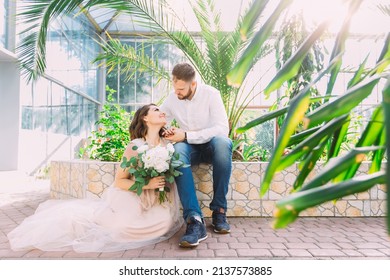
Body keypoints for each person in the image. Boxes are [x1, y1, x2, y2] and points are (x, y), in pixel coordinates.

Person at [7, 104, 183, 253]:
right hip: (133, 196)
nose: (162, 112)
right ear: (145, 118)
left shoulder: (168, 144)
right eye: (156, 110)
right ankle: (90, 222)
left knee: (164, 223)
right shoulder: (135, 146)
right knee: (121, 228)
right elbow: (120, 181)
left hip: (157, 200)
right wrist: (147, 184)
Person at [161, 62, 233, 248]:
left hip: (211, 146)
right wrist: (166, 132)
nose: (177, 92)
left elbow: (222, 129)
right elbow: (161, 121)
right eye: (175, 88)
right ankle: (194, 220)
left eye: (181, 89)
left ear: (193, 84)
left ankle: (219, 210)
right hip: (188, 148)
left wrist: (186, 135)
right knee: (177, 152)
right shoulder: (172, 98)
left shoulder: (211, 94)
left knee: (224, 143)